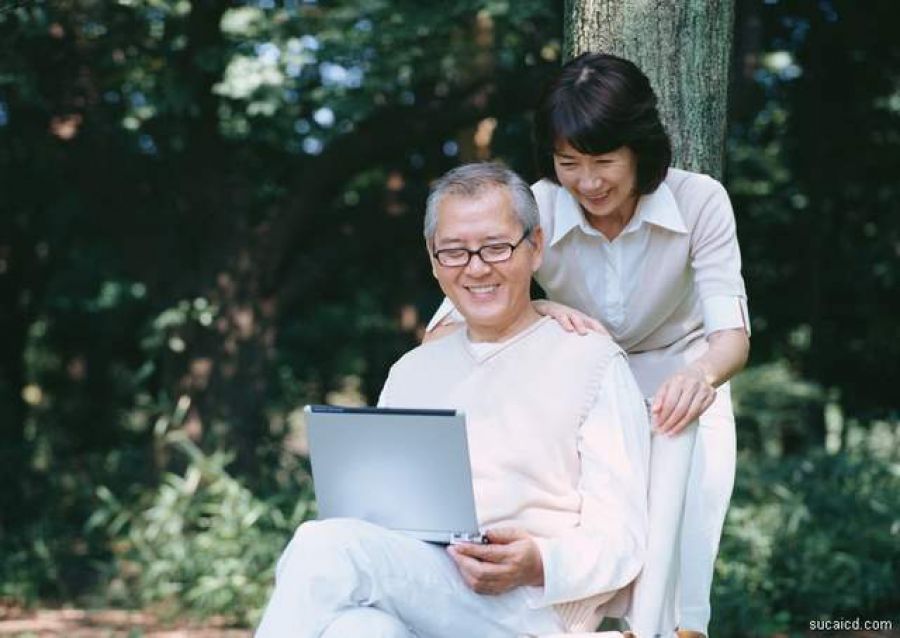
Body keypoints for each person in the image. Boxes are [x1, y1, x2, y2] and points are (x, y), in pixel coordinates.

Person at [428, 54, 750, 637]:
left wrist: (699, 378)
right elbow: (443, 331)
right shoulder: (536, 206)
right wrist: (540, 306)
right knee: (588, 570)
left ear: (640, 149)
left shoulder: (701, 200)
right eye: (569, 162)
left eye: (605, 160)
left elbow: (731, 336)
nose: (589, 182)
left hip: (683, 388)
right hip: (580, 396)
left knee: (679, 587)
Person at [255, 163, 651, 638]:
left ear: (536, 247)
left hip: (531, 611)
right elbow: (374, 517)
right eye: (455, 252)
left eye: (496, 247)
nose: (477, 267)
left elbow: (624, 539)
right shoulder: (411, 372)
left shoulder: (592, 361)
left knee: (324, 546)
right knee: (359, 630)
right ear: (433, 259)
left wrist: (536, 562)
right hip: (424, 591)